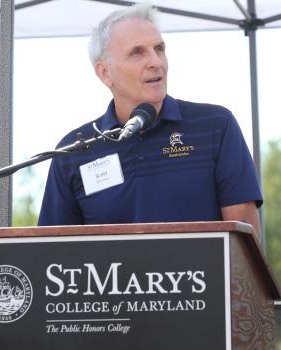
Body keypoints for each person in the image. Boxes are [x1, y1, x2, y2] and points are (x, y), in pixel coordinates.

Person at [38, 3, 262, 239]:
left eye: (159, 49)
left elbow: (245, 244)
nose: (156, 62)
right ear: (105, 73)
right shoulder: (74, 151)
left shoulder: (215, 125)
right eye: (138, 52)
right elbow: (53, 250)